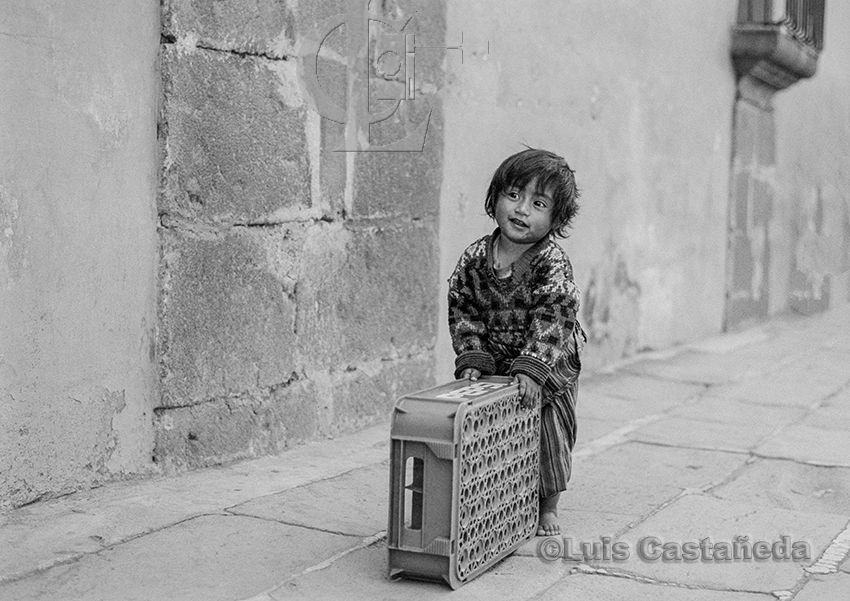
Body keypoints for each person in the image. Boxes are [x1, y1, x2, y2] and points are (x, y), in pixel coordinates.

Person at [447, 147, 585, 537]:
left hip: (550, 362)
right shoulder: (475, 259)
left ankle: (547, 505)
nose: (522, 209)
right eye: (513, 195)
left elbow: (555, 315)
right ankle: (497, 495)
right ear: (495, 199)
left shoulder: (551, 262)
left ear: (555, 218)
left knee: (549, 435)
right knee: (494, 430)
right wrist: (473, 354)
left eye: (538, 203)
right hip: (499, 357)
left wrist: (533, 368)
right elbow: (463, 307)